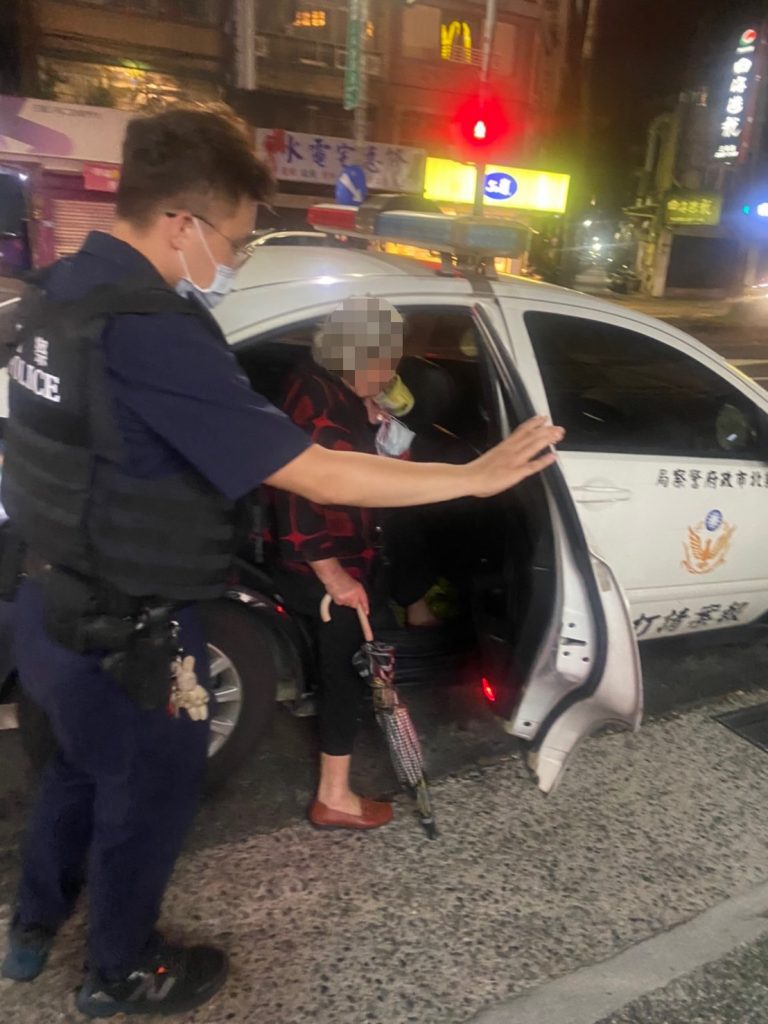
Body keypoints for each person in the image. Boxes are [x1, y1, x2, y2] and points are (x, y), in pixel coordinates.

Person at [0, 106, 562, 1019]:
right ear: (181, 222)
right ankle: (120, 972)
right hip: (131, 630)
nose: (233, 258)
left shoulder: (55, 292)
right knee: (145, 798)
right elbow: (314, 470)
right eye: (235, 239)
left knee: (70, 768)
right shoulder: (154, 330)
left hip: (45, 604)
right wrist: (473, 477)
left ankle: (33, 930)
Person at [269, 298, 443, 832]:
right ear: (354, 355)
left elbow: (370, 470)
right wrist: (335, 577)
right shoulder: (318, 403)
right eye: (385, 360)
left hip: (351, 552)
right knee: (346, 669)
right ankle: (333, 798)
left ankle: (336, 788)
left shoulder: (334, 389)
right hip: (327, 563)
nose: (392, 372)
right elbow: (299, 495)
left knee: (352, 660)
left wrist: (375, 422)